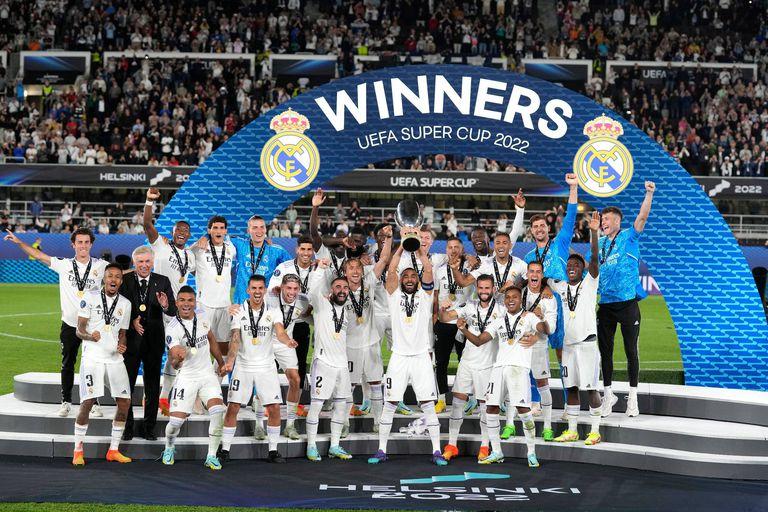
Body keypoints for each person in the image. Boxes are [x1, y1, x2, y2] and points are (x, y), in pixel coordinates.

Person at [4, 227, 108, 418]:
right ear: (73, 245)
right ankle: (66, 402)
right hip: (69, 324)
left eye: (86, 242)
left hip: (92, 325)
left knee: (92, 365)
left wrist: (143, 266)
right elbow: (39, 255)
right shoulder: (64, 264)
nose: (83, 245)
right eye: (79, 242)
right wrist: (19, 242)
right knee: (67, 364)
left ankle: (93, 402)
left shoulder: (101, 266)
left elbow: (121, 274)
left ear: (91, 244)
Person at [368, 239, 446, 466]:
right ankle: (381, 450)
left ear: (418, 280)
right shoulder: (393, 296)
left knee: (428, 405)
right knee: (390, 404)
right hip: (399, 357)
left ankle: (437, 451)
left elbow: (428, 268)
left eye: (413, 276)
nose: (410, 279)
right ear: (401, 280)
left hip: (421, 356)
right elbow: (391, 269)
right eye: (406, 276)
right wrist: (402, 245)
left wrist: (418, 247)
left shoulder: (426, 295)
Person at [458, 286, 546, 467]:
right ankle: (497, 451)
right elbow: (479, 341)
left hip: (518, 369)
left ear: (520, 300)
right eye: (508, 297)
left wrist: (538, 332)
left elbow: (543, 328)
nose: (511, 300)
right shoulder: (498, 321)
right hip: (498, 369)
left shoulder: (529, 317)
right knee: (491, 408)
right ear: (504, 300)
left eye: (515, 297)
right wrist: (464, 329)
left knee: (523, 410)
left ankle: (531, 452)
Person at [591, 181, 656, 418]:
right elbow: (592, 265)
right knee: (605, 352)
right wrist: (593, 234)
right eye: (602, 220)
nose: (603, 223)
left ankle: (633, 398)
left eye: (607, 219)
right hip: (606, 305)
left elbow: (642, 217)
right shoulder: (600, 243)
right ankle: (608, 396)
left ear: (617, 221)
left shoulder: (629, 236)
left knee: (631, 352)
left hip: (628, 304)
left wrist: (649, 193)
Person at [219, 275, 298, 463]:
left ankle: (273, 450)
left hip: (266, 367)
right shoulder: (238, 311)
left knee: (274, 407)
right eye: (253, 288)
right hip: (243, 366)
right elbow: (235, 338)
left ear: (265, 290)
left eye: (260, 288)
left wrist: (288, 341)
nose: (257, 292)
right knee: (233, 407)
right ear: (248, 290)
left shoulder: (273, 311)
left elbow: (280, 332)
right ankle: (225, 449)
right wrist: (230, 361)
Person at [71, 263, 133, 466]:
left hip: (115, 359)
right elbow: (79, 330)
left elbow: (123, 333)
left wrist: (122, 344)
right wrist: (90, 336)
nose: (113, 279)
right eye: (110, 276)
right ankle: (78, 450)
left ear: (121, 281)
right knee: (88, 402)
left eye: (117, 277)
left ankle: (113, 450)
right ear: (104, 279)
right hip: (92, 358)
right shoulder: (89, 297)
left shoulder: (125, 304)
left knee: (124, 402)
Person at [142, 187, 196, 416]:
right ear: (172, 232)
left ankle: (164, 397)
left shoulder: (190, 256)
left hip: (176, 312)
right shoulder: (161, 245)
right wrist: (149, 201)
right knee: (153, 355)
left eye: (186, 230)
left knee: (176, 354)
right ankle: (149, 396)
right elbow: (147, 224)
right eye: (178, 229)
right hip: (155, 309)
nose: (182, 232)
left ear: (189, 235)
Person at [438, 274, 504, 461]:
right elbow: (445, 318)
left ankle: (484, 446)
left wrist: (463, 329)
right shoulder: (469, 306)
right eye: (480, 288)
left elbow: (480, 340)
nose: (483, 291)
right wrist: (442, 309)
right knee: (457, 403)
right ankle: (451, 445)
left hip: (488, 365)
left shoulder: (501, 310)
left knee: (485, 407)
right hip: (467, 362)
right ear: (476, 288)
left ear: (493, 289)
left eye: (487, 288)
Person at [161, 286, 227, 470]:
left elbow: (211, 339)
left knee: (218, 412)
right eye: (182, 300)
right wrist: (178, 359)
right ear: (176, 303)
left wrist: (221, 363)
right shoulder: (172, 328)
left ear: (195, 302)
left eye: (190, 300)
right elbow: (174, 360)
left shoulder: (203, 316)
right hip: (187, 377)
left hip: (207, 375)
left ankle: (211, 455)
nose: (186, 304)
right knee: (175, 423)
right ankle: (169, 447)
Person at [552, 211, 603, 445]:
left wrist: (594, 232)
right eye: (570, 265)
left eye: (576, 265)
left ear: (583, 269)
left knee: (591, 389)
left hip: (587, 345)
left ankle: (595, 430)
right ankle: (572, 430)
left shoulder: (590, 283)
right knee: (571, 388)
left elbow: (595, 259)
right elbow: (541, 276)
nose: (572, 267)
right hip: (568, 347)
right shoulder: (561, 286)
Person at [119, 246, 176, 440]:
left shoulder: (163, 281)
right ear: (134, 263)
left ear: (153, 262)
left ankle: (149, 428)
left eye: (147, 261)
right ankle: (127, 427)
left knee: (152, 386)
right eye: (140, 262)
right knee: (126, 385)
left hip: (154, 341)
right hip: (131, 341)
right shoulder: (125, 280)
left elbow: (172, 310)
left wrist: (165, 305)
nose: (144, 265)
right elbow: (117, 307)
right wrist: (131, 320)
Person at [338, 229, 391, 434]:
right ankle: (344, 423)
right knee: (349, 386)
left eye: (357, 268)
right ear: (345, 271)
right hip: (349, 345)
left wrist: (388, 238)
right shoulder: (339, 289)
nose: (354, 271)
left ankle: (378, 422)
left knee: (376, 383)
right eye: (350, 268)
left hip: (370, 343)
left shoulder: (369, 282)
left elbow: (384, 259)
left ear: (362, 270)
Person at [304, 269, 353, 462]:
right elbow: (313, 290)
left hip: (342, 365)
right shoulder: (322, 304)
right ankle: (311, 445)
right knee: (316, 405)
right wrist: (320, 269)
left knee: (341, 407)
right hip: (323, 363)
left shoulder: (347, 310)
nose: (342, 290)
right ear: (331, 290)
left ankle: (334, 445)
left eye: (345, 287)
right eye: (338, 287)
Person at [268, 235, 320, 392]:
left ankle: (299, 401)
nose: (306, 253)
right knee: (272, 362)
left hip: (302, 322)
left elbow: (320, 293)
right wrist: (278, 290)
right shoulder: (284, 268)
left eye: (309, 249)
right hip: (282, 322)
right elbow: (272, 292)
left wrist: (310, 306)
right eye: (303, 249)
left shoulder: (318, 269)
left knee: (301, 361)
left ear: (313, 251)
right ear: (297, 249)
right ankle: (267, 397)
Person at [264, 274, 311, 438]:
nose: (292, 292)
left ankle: (290, 425)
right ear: (282, 287)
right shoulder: (270, 298)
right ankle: (258, 425)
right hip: (267, 342)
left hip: (286, 344)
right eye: (289, 288)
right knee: (264, 380)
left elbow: (307, 314)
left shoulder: (303, 301)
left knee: (296, 379)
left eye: (295, 288)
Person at [432, 236, 476, 413]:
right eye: (450, 247)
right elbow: (436, 296)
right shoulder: (439, 270)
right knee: (441, 362)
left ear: (462, 249)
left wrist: (474, 259)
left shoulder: (470, 268)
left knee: (464, 362)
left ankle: (468, 399)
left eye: (457, 247)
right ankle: (441, 400)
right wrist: (435, 317)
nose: (453, 250)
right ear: (446, 250)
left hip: (463, 321)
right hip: (444, 321)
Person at [519, 260, 558, 441]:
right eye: (531, 271)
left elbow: (552, 328)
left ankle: (548, 427)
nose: (534, 274)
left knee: (542, 383)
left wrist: (540, 319)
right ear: (527, 274)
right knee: (516, 382)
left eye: (538, 272)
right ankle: (511, 425)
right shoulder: (519, 293)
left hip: (539, 345)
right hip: (519, 345)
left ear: (542, 275)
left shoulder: (549, 299)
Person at [192, 216, 236, 360]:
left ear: (226, 231)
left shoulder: (230, 248)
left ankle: (218, 372)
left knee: (224, 345)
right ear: (209, 230)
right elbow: (184, 258)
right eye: (215, 228)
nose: (218, 231)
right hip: (204, 304)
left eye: (222, 228)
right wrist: (203, 238)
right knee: (200, 342)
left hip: (224, 305)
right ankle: (200, 371)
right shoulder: (199, 247)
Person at [230, 215, 292, 304]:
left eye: (262, 227)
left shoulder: (277, 251)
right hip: (242, 304)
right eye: (255, 227)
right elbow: (219, 237)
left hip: (266, 304)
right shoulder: (240, 245)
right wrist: (208, 235)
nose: (259, 231)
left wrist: (281, 285)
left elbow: (293, 268)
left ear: (265, 229)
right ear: (248, 230)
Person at [454, 231, 527, 294]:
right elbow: (463, 282)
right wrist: (454, 269)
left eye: (504, 243)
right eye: (498, 243)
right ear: (494, 246)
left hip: (512, 304)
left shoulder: (519, 263)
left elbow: (531, 278)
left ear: (510, 245)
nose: (501, 246)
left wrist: (517, 286)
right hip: (492, 305)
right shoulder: (486, 264)